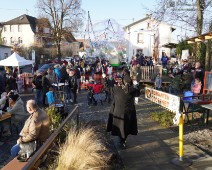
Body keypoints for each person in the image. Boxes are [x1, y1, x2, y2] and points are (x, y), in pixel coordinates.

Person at [106, 75, 139, 149]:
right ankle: (123, 140)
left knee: (120, 127)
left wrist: (106, 80)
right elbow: (138, 92)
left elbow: (108, 89)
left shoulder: (116, 89)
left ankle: (121, 141)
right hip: (129, 112)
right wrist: (136, 84)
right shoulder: (132, 90)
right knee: (126, 127)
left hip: (118, 112)